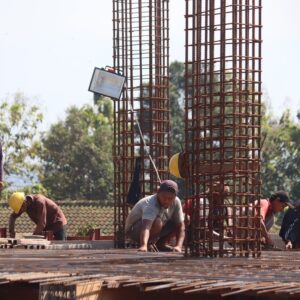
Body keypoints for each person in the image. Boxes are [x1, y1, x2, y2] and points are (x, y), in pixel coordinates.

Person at [125, 179, 185, 252]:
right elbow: (146, 227)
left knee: (183, 219)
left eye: (170, 198)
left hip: (155, 228)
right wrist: (143, 245)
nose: (166, 201)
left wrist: (178, 246)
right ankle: (146, 244)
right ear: (158, 192)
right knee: (157, 222)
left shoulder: (176, 201)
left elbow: (180, 226)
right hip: (134, 231)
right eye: (164, 197)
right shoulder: (151, 203)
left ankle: (160, 244)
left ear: (175, 196)